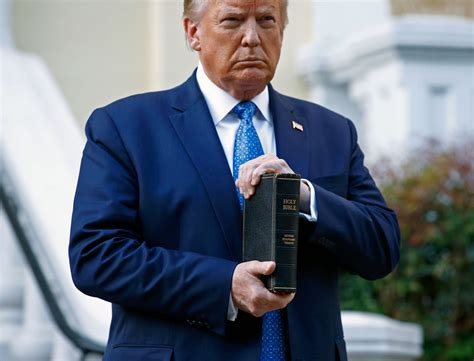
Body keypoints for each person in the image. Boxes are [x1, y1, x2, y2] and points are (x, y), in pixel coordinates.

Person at [69, 0, 400, 360]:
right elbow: (96, 256)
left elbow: (382, 246)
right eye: (233, 21)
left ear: (282, 30)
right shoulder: (127, 127)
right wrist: (224, 285)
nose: (252, 38)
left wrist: (304, 196)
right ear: (193, 32)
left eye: (267, 20)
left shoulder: (332, 131)